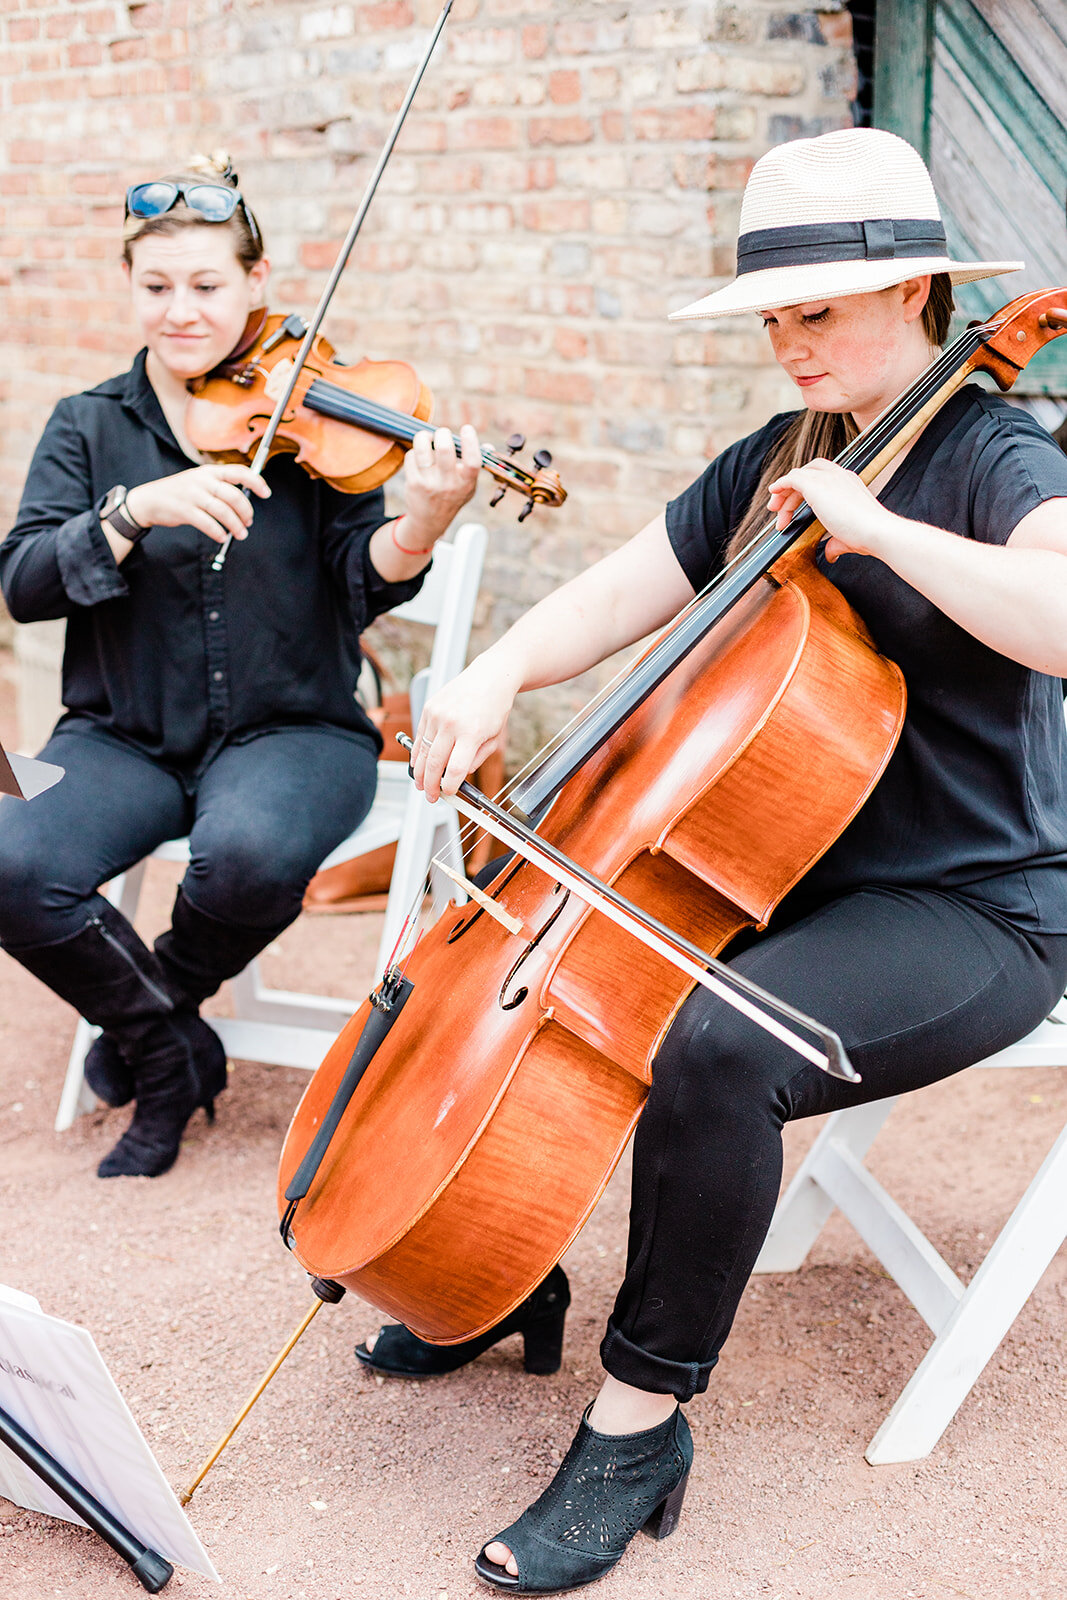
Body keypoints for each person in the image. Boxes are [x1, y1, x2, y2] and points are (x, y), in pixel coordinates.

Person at [357, 128, 1067, 1593]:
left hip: (974, 904)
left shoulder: (998, 452)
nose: (785, 341)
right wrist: (490, 673)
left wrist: (881, 533)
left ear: (914, 292)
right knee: (563, 969)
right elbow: (626, 588)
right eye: (772, 316)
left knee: (716, 1048)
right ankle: (499, 1265)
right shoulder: (777, 456)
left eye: (814, 311)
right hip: (788, 874)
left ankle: (637, 1422)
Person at [0, 153, 479, 1180]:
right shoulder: (88, 423)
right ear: (130, 285)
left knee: (250, 854)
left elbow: (364, 574)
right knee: (6, 851)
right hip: (118, 730)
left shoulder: (320, 412)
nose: (182, 311)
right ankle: (172, 1055)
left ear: (257, 283)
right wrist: (134, 510)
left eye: (207, 285)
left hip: (295, 726)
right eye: (157, 286)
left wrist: (424, 521)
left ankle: (154, 1016)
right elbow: (22, 584)